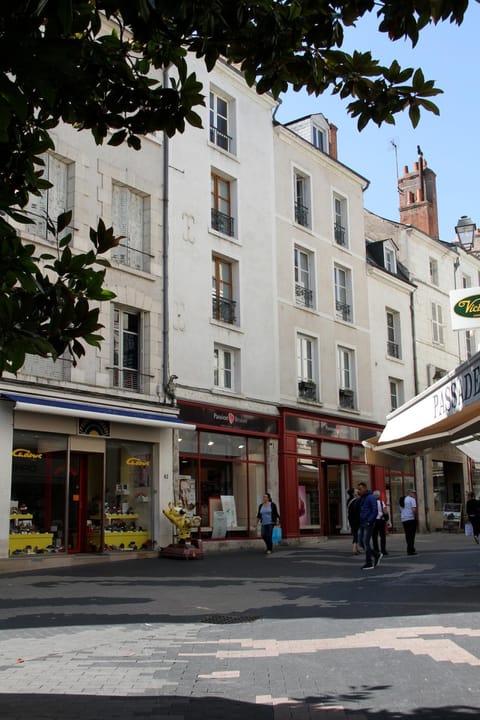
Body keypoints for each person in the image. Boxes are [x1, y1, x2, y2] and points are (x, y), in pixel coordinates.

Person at [357, 482, 382, 570]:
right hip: (362, 522)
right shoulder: (362, 498)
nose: (359, 491)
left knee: (365, 542)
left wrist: (369, 521)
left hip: (368, 523)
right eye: (358, 489)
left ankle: (369, 563)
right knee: (361, 542)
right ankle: (376, 554)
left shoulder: (370, 497)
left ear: (365, 488)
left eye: (360, 489)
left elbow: (375, 510)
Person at [401, 489, 417, 555]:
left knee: (407, 535)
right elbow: (414, 510)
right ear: (410, 493)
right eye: (413, 493)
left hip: (404, 519)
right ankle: (410, 549)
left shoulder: (402, 500)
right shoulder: (412, 499)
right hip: (410, 518)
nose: (414, 494)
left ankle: (410, 548)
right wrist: (415, 517)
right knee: (412, 535)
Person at [372, 490, 388, 556]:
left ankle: (376, 549)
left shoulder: (372, 503)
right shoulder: (382, 503)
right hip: (381, 521)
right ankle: (383, 550)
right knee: (382, 536)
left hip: (374, 521)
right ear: (379, 496)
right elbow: (385, 512)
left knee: (374, 536)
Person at [347, 488, 361, 555]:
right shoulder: (356, 500)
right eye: (356, 491)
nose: (357, 491)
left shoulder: (349, 500)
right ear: (353, 493)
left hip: (351, 518)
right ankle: (354, 549)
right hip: (356, 519)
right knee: (356, 533)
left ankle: (357, 548)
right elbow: (358, 510)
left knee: (355, 533)